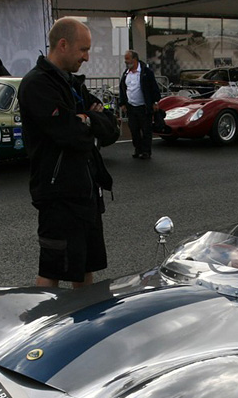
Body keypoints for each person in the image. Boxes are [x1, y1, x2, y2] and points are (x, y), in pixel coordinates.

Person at [19, 18, 118, 288]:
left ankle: (86, 328)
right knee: (52, 271)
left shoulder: (73, 84)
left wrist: (86, 119)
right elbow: (69, 133)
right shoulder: (37, 84)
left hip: (87, 192)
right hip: (58, 197)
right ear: (63, 45)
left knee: (86, 268)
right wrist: (86, 121)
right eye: (83, 50)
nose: (87, 57)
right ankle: (44, 327)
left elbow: (111, 128)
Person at [118, 49, 161, 160]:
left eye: (127, 59)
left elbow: (154, 88)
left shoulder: (146, 72)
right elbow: (123, 89)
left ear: (134, 59)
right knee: (134, 130)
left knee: (146, 130)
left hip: (143, 107)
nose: (126, 62)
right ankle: (138, 149)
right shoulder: (126, 74)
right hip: (131, 107)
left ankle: (146, 151)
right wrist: (122, 103)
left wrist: (155, 102)